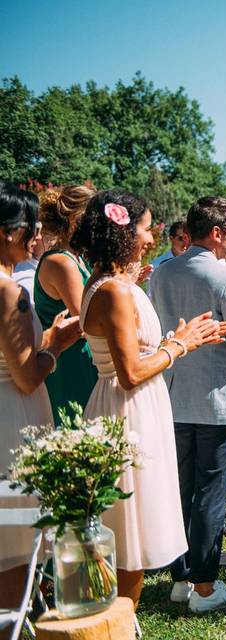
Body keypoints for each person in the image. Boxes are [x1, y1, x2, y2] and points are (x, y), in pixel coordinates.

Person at [72, 190, 226, 609]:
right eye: (145, 228)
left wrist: (179, 339)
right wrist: (179, 347)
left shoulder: (111, 284)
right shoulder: (116, 293)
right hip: (129, 410)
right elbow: (130, 373)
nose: (151, 237)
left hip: (136, 404)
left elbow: (134, 353)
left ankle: (121, 619)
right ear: (124, 234)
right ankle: (121, 621)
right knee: (128, 531)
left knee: (129, 526)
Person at [151, 196, 226, 613]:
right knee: (211, 496)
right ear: (216, 234)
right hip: (218, 399)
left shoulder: (161, 273)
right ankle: (205, 587)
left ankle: (181, 579)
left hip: (175, 396)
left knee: (181, 492)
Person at [0, 183, 81, 609]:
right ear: (7, 231)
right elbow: (29, 375)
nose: (37, 234)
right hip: (14, 416)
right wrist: (57, 345)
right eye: (30, 225)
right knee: (13, 539)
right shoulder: (8, 292)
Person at [34, 185, 99, 424]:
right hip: (69, 360)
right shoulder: (61, 262)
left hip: (82, 356)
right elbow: (87, 319)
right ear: (76, 219)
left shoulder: (77, 258)